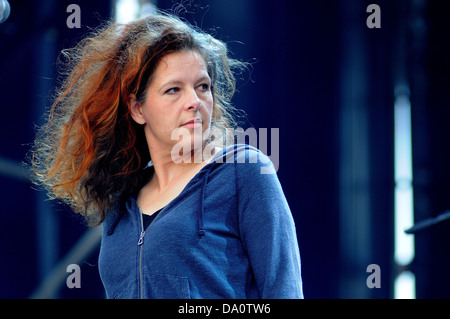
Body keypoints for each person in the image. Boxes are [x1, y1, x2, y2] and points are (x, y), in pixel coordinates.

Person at [28, 11, 303, 299]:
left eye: (203, 87)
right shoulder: (122, 202)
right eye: (174, 89)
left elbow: (284, 293)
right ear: (137, 109)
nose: (194, 102)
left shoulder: (243, 171)